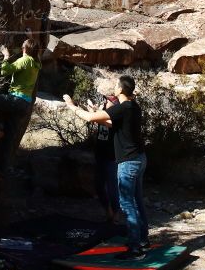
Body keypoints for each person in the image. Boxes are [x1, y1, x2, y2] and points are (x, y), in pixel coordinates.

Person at [63, 75, 147, 260]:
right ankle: (143, 240)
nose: (114, 87)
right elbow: (109, 123)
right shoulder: (133, 107)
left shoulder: (122, 108)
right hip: (140, 158)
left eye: (116, 85)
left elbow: (90, 118)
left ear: (120, 90)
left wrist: (71, 106)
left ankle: (135, 248)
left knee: (127, 204)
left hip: (129, 162)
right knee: (137, 201)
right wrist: (97, 113)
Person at [0, 38, 42, 179]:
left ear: (25, 49)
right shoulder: (37, 63)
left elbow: (5, 71)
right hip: (24, 105)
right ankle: (1, 171)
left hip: (15, 100)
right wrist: (31, 35)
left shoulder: (25, 60)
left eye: (22, 47)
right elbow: (37, 53)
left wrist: (6, 56)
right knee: (9, 140)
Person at [87, 94, 121, 223]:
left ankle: (116, 213)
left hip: (112, 156)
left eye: (109, 101)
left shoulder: (116, 116)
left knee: (112, 186)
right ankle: (108, 212)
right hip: (100, 154)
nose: (106, 102)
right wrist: (93, 110)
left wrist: (93, 114)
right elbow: (95, 116)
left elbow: (99, 119)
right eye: (106, 100)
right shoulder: (103, 113)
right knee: (99, 185)